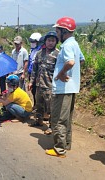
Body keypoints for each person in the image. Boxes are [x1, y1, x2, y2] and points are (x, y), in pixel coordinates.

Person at [45, 17, 83, 158]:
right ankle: (66, 144)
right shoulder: (75, 44)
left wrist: (61, 73)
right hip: (71, 87)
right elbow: (81, 60)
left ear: (64, 31)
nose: (56, 34)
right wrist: (73, 76)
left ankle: (59, 149)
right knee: (66, 118)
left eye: (57, 31)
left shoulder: (66, 45)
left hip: (63, 88)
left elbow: (71, 62)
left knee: (58, 119)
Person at [28, 31, 59, 135]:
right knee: (39, 105)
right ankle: (39, 121)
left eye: (53, 41)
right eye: (49, 40)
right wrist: (31, 81)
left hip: (50, 86)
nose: (50, 43)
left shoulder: (58, 54)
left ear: (56, 42)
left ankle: (51, 126)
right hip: (39, 85)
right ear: (45, 41)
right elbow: (34, 69)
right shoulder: (39, 53)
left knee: (51, 107)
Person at [27, 32, 42, 107]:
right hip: (31, 74)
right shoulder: (32, 50)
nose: (32, 43)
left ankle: (39, 107)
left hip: (37, 75)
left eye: (34, 42)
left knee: (37, 92)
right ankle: (35, 105)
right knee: (33, 91)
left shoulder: (41, 51)